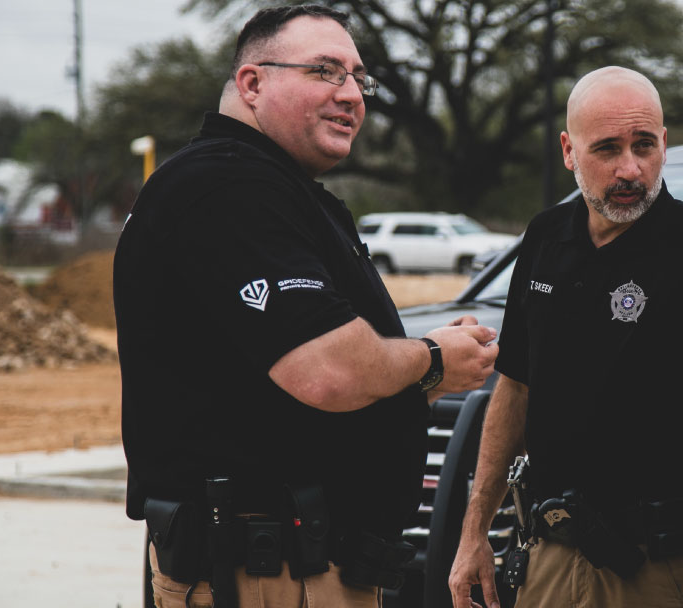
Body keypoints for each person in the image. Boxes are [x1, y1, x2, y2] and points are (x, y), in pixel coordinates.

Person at [113, 5, 498, 607]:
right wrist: (430, 358)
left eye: (357, 78)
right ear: (252, 83)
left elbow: (267, 404)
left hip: (300, 567)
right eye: (324, 71)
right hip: (268, 575)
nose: (351, 94)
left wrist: (424, 366)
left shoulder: (273, 189)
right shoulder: (228, 187)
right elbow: (327, 373)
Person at [448, 66, 683, 608]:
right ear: (568, 150)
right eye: (607, 148)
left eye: (644, 145)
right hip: (551, 555)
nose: (630, 168)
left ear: (663, 144)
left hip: (661, 566)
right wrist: (473, 536)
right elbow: (514, 385)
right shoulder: (545, 237)